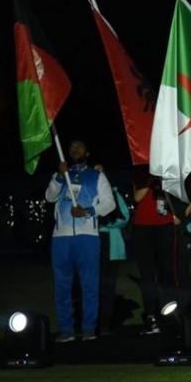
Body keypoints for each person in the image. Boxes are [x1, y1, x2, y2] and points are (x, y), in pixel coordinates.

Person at [44, 139, 117, 342]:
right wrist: (59, 176)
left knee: (90, 285)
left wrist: (88, 211)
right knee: (62, 286)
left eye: (79, 146)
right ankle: (66, 329)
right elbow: (49, 197)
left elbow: (109, 204)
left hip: (88, 237)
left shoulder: (96, 175)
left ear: (87, 152)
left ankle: (88, 328)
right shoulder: (61, 174)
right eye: (71, 146)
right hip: (61, 237)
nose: (74, 149)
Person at [132, 168, 191, 335]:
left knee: (168, 274)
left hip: (165, 227)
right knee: (147, 275)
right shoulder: (140, 175)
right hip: (142, 228)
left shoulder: (170, 174)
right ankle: (150, 317)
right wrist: (151, 178)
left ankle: (170, 315)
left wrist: (181, 215)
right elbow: (137, 197)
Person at [98, 182, 130, 335]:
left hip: (111, 246)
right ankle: (91, 323)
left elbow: (125, 217)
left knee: (107, 287)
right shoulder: (88, 192)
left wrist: (106, 222)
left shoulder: (115, 194)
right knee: (92, 287)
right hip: (93, 244)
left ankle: (105, 323)